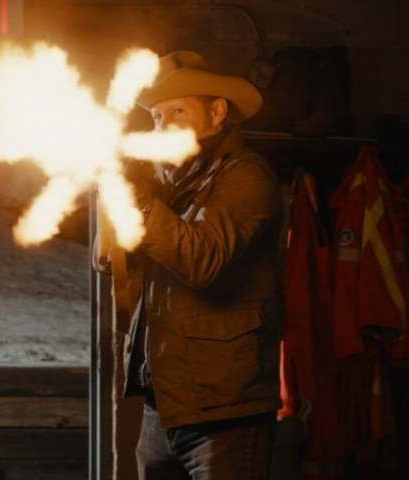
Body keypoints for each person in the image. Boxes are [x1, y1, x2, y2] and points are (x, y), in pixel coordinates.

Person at [101, 51, 284, 480]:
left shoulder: (246, 176)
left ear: (217, 113)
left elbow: (201, 260)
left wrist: (138, 201)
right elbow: (106, 261)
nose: (163, 126)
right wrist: (115, 189)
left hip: (225, 411)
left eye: (178, 111)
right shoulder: (163, 186)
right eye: (157, 117)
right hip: (162, 407)